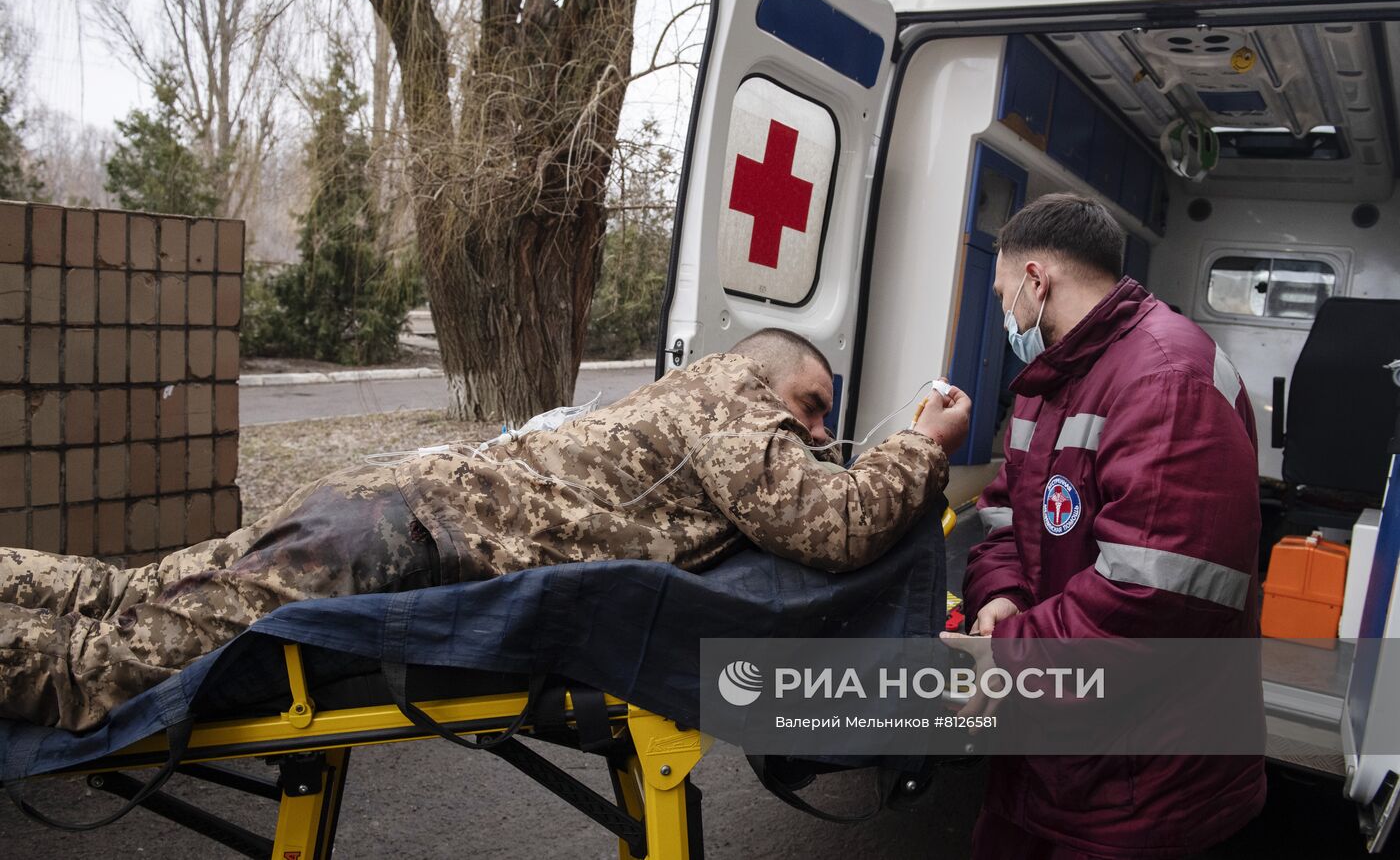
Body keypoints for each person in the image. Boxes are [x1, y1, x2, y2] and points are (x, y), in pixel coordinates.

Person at [0, 328, 971, 732]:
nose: (813, 434)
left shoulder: (678, 426)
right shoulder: (725, 391)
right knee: (106, 675)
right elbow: (829, 524)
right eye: (808, 407)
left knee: (117, 594)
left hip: (374, 512)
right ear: (762, 374)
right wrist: (920, 446)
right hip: (394, 538)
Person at [953, 194, 1265, 858]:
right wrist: (1001, 599)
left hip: (1139, 778)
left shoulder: (1167, 379)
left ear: (1036, 281)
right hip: (1055, 745)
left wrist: (1009, 652)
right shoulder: (1049, 381)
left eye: (1006, 295)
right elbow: (1007, 516)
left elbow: (1152, 600)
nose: (1007, 316)